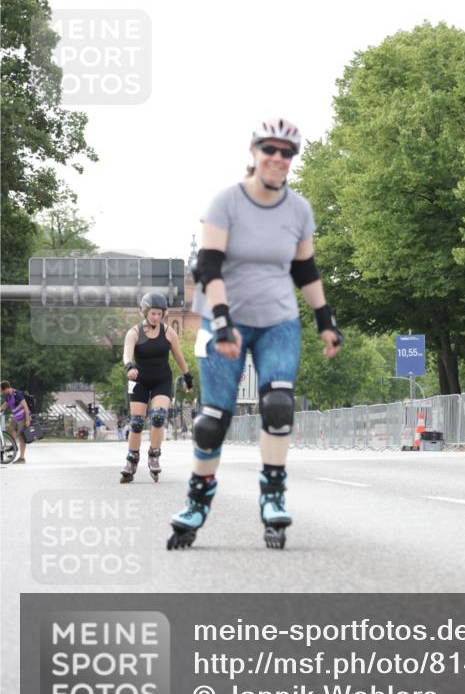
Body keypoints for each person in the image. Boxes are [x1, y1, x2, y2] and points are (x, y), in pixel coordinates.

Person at [167, 116, 342, 551]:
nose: (278, 159)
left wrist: (325, 320)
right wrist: (223, 319)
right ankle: (197, 502)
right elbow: (208, 266)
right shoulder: (226, 202)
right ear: (254, 152)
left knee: (278, 405)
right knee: (212, 422)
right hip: (221, 319)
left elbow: (305, 268)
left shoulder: (299, 209)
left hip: (278, 320)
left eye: (287, 153)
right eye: (270, 150)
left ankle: (273, 498)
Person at [121, 293, 193, 483]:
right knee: (136, 422)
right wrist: (129, 367)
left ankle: (154, 455)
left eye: (159, 314)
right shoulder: (134, 332)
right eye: (153, 313)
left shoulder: (169, 332)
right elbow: (127, 353)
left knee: (159, 417)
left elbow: (178, 356)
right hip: (140, 381)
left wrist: (187, 376)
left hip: (162, 379)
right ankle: (132, 459)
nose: (156, 317)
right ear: (145, 313)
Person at [0, 381, 31, 463]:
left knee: (21, 437)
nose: (2, 393)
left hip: (23, 417)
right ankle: (14, 445)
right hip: (16, 417)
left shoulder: (17, 394)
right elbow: (5, 405)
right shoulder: (8, 395)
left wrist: (27, 420)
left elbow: (26, 407)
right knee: (10, 429)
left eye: (2, 391)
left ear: (6, 388)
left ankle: (22, 458)